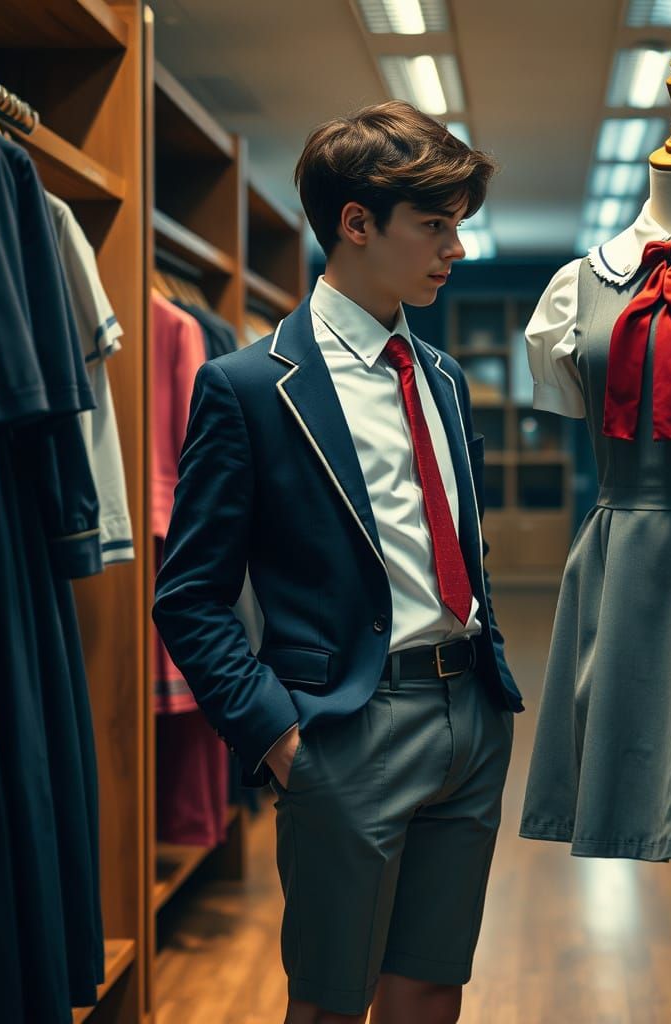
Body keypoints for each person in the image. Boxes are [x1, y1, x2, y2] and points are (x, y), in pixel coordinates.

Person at [153, 100, 522, 1024]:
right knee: (328, 1002)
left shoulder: (439, 376)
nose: (456, 249)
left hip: (469, 717)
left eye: (458, 226)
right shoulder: (245, 385)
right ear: (354, 224)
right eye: (434, 226)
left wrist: (485, 683)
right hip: (345, 731)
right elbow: (190, 596)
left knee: (433, 987)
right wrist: (281, 740)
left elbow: (458, 544)